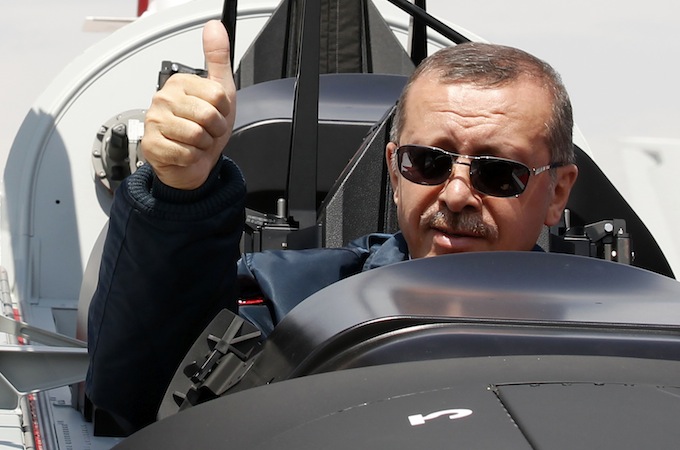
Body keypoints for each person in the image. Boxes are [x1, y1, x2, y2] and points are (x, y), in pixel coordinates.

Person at [86, 20, 578, 434]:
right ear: (393, 168)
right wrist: (179, 193)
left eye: (496, 171)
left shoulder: (622, 328)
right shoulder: (292, 303)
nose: (454, 193)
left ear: (557, 192)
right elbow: (145, 400)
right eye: (427, 162)